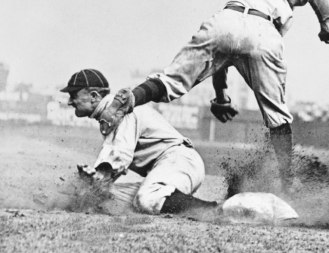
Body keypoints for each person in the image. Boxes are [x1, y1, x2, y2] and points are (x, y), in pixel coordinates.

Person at [97, 0, 329, 192]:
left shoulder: (235, 3)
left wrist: (221, 98)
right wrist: (326, 26)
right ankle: (287, 183)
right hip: (262, 32)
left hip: (221, 25)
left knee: (171, 80)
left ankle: (133, 97)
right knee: (278, 116)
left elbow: (219, 63)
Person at [61, 69, 215, 215]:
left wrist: (97, 177)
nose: (70, 101)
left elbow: (118, 157)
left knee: (146, 199)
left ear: (94, 96)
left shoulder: (119, 110)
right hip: (171, 167)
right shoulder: (110, 113)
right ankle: (179, 200)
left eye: (73, 95)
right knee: (104, 199)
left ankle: (217, 210)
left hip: (179, 161)